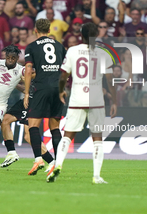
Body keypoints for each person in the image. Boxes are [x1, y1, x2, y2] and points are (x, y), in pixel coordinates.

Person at [46, 22, 117, 184]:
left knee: (68, 135)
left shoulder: (72, 51)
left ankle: (57, 166)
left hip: (77, 98)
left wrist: (61, 91)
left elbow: (63, 76)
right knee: (97, 137)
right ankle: (97, 176)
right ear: (96, 36)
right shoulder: (103, 54)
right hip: (96, 100)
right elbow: (110, 80)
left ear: (81, 35)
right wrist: (114, 100)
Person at [23, 18, 66, 175]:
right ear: (49, 31)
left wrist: (27, 92)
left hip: (41, 87)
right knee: (55, 127)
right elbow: (66, 69)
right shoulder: (60, 46)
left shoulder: (32, 46)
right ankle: (58, 163)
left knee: (33, 125)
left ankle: (38, 160)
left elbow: (28, 70)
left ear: (35, 30)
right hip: (57, 88)